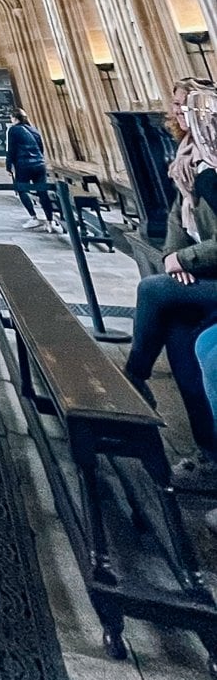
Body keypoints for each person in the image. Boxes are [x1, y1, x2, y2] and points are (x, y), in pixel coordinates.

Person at [124, 80, 217, 456]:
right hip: (204, 275)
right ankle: (208, 451)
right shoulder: (187, 162)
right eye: (177, 105)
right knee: (179, 337)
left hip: (207, 271)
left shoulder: (208, 166)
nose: (180, 112)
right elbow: (179, 225)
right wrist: (171, 258)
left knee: (154, 291)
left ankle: (134, 378)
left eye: (189, 106)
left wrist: (183, 261)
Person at [6, 109, 57, 232]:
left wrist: (9, 166)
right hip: (39, 164)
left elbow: (11, 150)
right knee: (42, 192)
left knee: (21, 189)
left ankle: (33, 217)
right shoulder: (34, 129)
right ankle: (50, 221)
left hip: (23, 165)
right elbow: (41, 148)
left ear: (14, 118)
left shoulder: (13, 130)